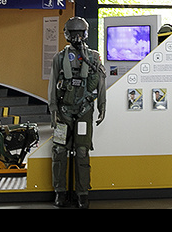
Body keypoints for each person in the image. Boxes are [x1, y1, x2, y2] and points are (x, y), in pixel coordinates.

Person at [47, 16, 107, 208]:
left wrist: (102, 106)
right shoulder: (59, 58)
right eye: (74, 33)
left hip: (84, 111)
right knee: (59, 151)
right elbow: (52, 85)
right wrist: (53, 109)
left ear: (86, 34)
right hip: (63, 111)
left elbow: (101, 83)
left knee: (82, 151)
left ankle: (82, 193)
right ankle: (60, 192)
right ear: (67, 34)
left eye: (80, 33)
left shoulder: (94, 57)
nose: (77, 37)